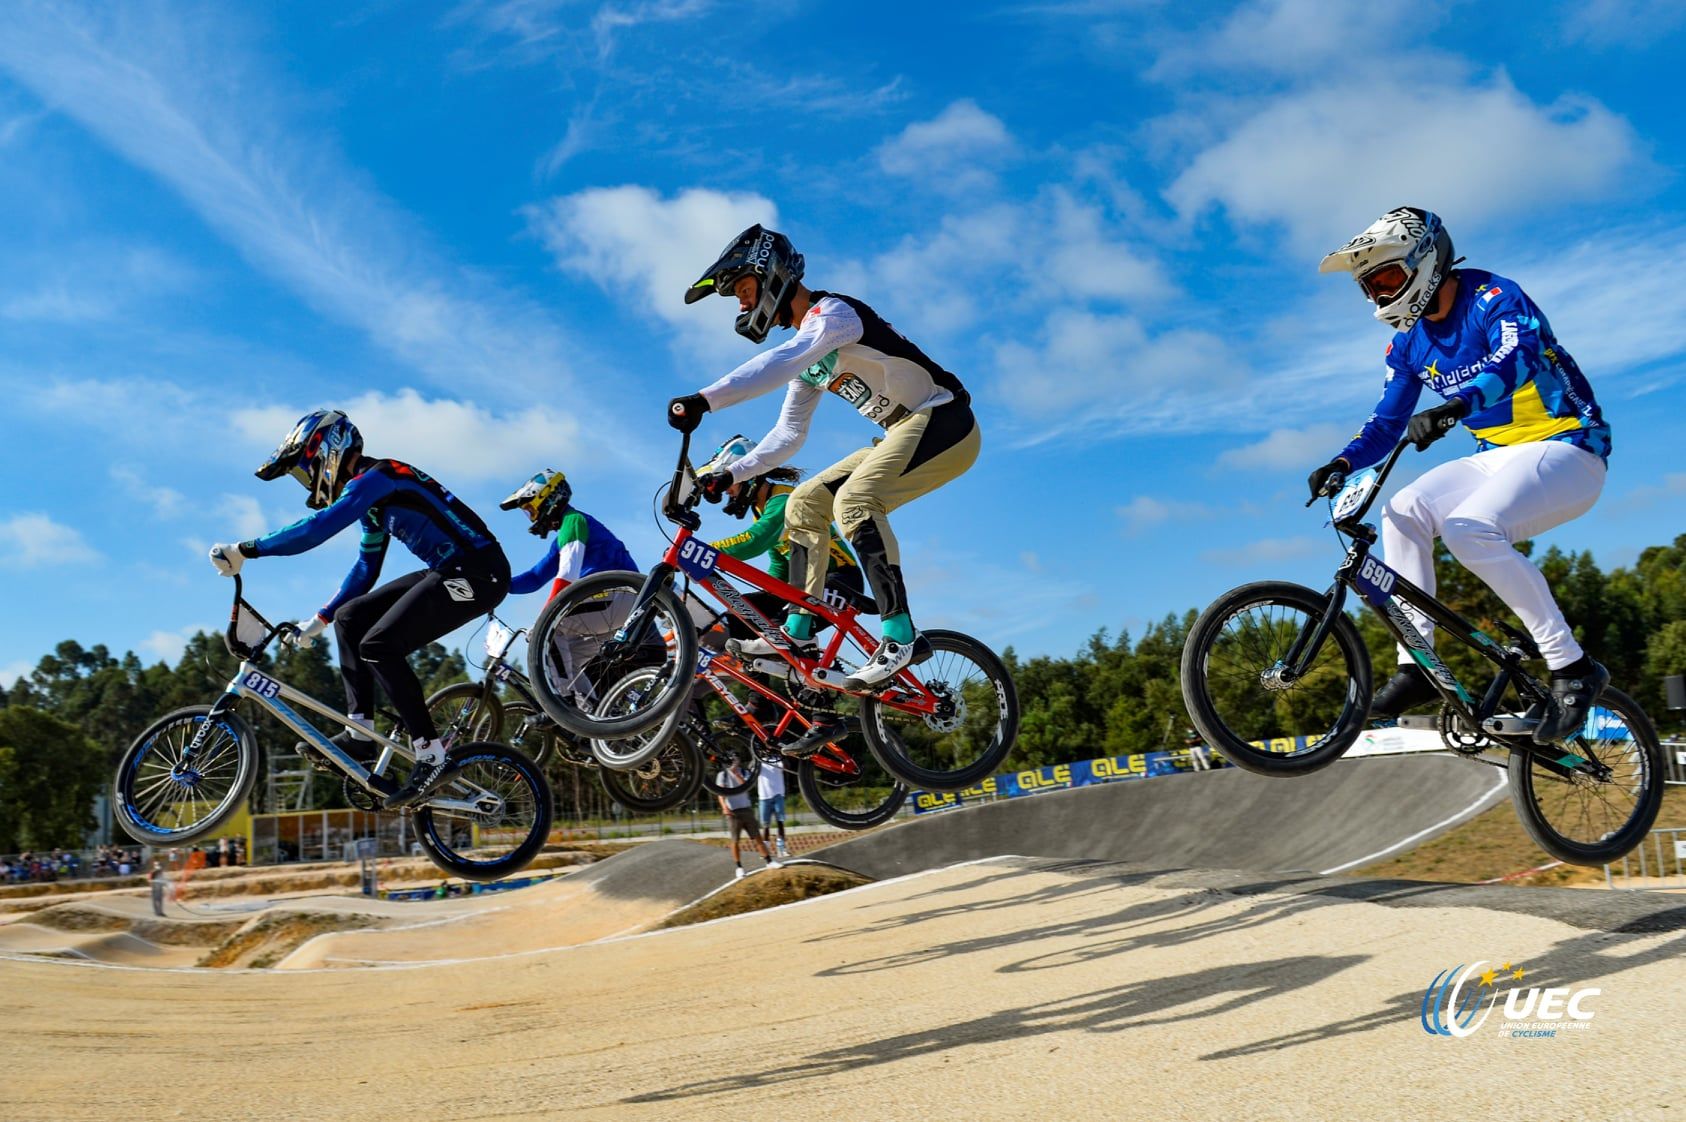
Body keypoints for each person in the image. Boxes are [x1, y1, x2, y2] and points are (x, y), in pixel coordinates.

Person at [1309, 208, 1611, 744]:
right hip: (1496, 456)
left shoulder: (1494, 297)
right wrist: (1343, 462)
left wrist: (1455, 407)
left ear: (1425, 261)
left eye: (1387, 279)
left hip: (1568, 447)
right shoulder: (1407, 343)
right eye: (1371, 288)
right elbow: (1386, 423)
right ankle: (1417, 664)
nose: (1381, 296)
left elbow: (1517, 359)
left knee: (1468, 529)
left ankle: (1572, 666)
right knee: (1402, 511)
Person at [669, 224, 980, 690]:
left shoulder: (834, 315)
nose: (742, 305)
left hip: (945, 419)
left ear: (772, 276)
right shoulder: (810, 358)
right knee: (803, 504)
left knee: (855, 502)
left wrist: (704, 400)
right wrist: (731, 474)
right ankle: (799, 631)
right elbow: (788, 434)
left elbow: (781, 362)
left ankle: (900, 635)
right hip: (903, 430)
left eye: (745, 291)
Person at [209, 409, 511, 807]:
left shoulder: (377, 478)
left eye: (304, 470)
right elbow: (366, 567)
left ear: (326, 452)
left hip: (479, 572)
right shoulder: (372, 500)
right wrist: (320, 620)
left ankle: (431, 755)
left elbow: (317, 529)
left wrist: (246, 549)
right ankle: (359, 736)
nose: (307, 481)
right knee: (350, 618)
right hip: (449, 568)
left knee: (380, 645)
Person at [698, 434, 876, 757]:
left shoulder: (782, 501)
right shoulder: (761, 507)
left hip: (839, 579)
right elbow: (779, 565)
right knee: (741, 615)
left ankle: (826, 718)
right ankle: (760, 704)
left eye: (730, 483)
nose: (727, 492)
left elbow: (756, 541)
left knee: (790, 631)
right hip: (802, 585)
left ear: (749, 475)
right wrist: (761, 607)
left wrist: (705, 551)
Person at [500, 470, 638, 600]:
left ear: (548, 497)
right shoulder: (565, 535)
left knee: (558, 616)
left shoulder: (573, 522)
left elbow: (567, 576)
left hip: (617, 592)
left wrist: (548, 613)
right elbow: (535, 577)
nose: (533, 519)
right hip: (619, 595)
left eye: (531, 510)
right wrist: (500, 587)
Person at [716, 761, 780, 879]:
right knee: (735, 840)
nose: (734, 762)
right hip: (733, 812)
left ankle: (769, 861)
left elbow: (745, 787)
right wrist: (724, 807)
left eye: (736, 759)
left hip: (746, 809)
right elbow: (720, 793)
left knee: (757, 837)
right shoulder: (722, 775)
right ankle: (739, 867)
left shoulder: (744, 772)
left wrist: (737, 774)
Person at [757, 758, 790, 858]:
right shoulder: (759, 760)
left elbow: (786, 767)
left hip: (778, 795)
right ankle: (766, 851)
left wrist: (781, 755)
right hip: (764, 797)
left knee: (780, 822)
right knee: (765, 825)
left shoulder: (777, 759)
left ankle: (781, 849)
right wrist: (756, 759)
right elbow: (751, 768)